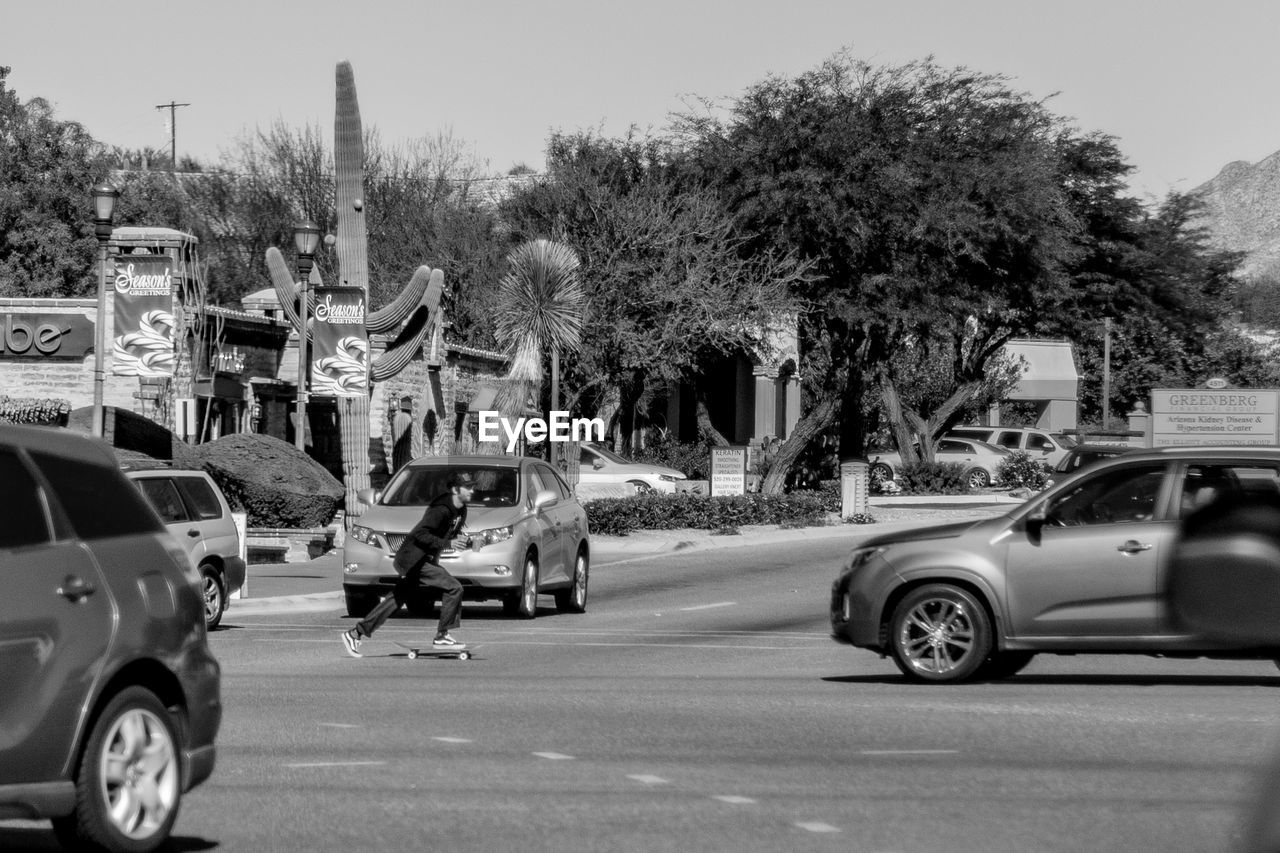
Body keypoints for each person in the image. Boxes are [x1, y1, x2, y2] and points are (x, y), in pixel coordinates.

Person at [341, 471, 475, 657]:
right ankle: (442, 635)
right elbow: (421, 534)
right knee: (454, 588)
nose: (472, 490)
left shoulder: (461, 510)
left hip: (424, 560)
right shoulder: (440, 509)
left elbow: (451, 535)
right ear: (455, 489)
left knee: (395, 600)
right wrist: (447, 544)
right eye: (467, 487)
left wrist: (470, 543)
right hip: (413, 560)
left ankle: (355, 634)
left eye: (472, 486)